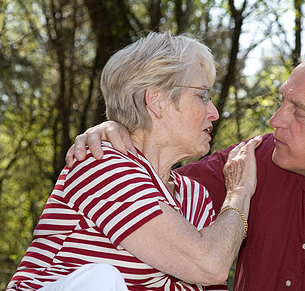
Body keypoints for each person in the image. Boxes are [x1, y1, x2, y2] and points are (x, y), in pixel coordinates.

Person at [65, 47, 305, 290]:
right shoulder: (262, 159)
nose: (274, 119)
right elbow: (154, 187)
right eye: (282, 101)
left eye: (297, 112)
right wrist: (123, 131)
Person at [7, 31, 263, 291]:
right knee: (102, 280)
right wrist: (239, 193)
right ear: (157, 101)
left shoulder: (194, 197)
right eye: (202, 96)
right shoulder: (100, 164)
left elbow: (208, 274)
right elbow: (209, 264)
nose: (214, 112)